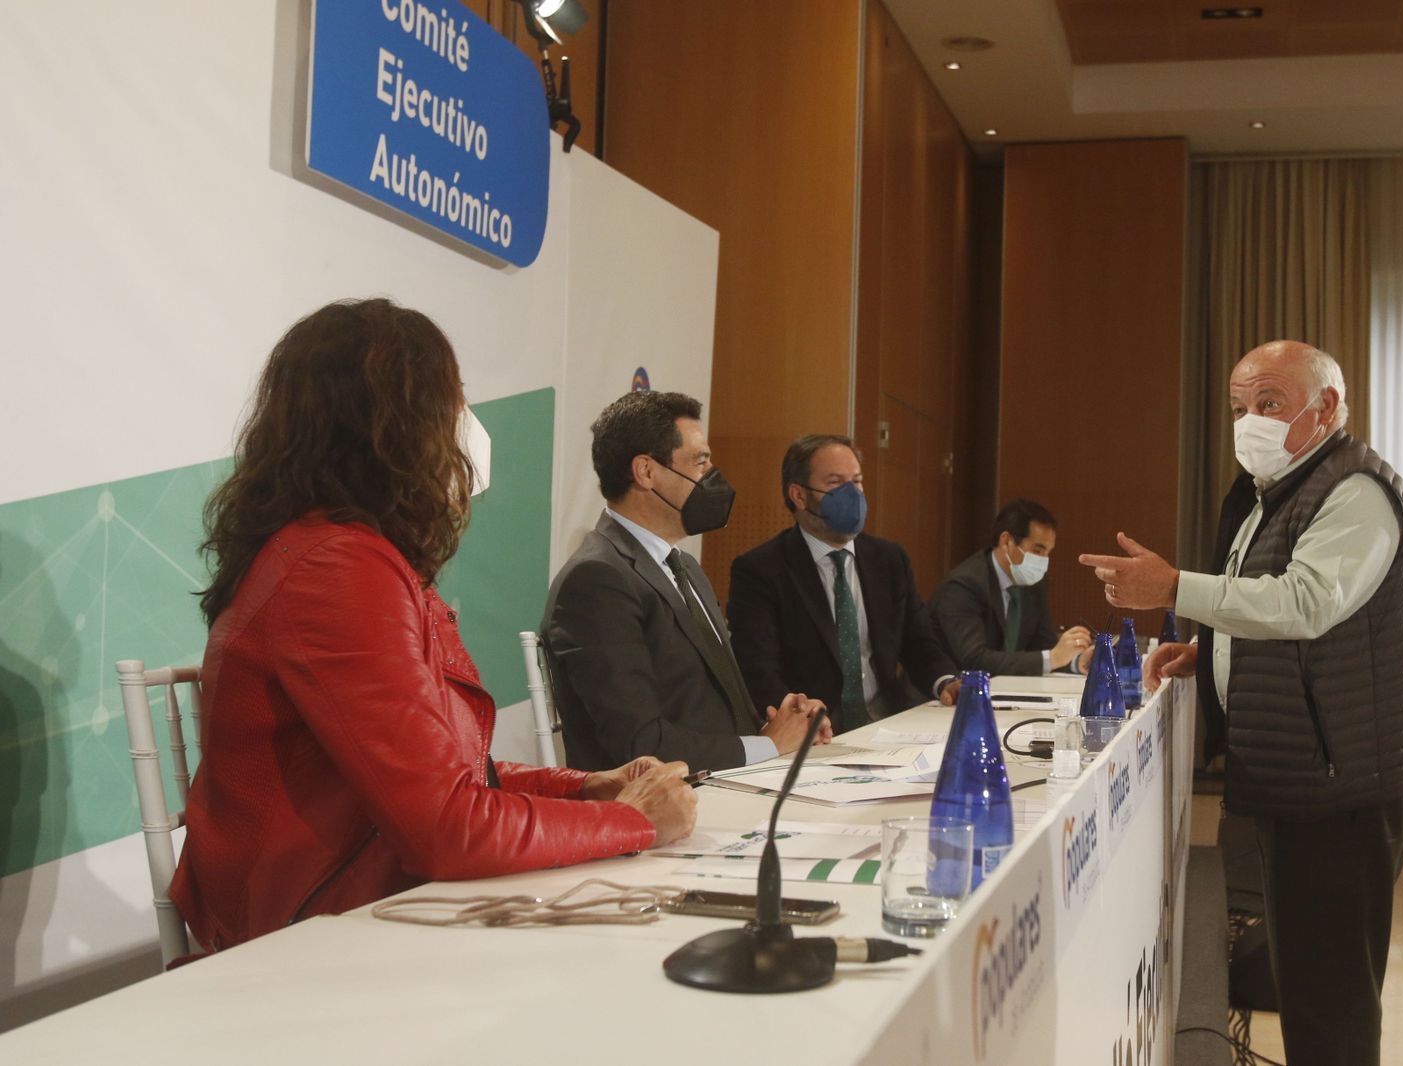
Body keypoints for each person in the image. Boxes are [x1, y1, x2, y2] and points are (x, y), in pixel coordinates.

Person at [171, 299, 696, 954]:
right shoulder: (338, 569)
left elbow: (445, 772)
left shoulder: (337, 553)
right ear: (397, 423)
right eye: (454, 402)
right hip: (305, 937)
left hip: (346, 901)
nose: (465, 427)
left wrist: (590, 787)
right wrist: (632, 821)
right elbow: (448, 829)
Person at [1078, 340, 1403, 1066]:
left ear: (1327, 408)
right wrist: (1209, 651)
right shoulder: (1270, 494)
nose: (1251, 423)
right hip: (1305, 765)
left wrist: (1176, 589)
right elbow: (1264, 609)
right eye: (1241, 408)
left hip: (1345, 775)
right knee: (1308, 974)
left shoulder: (1356, 490)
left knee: (1327, 993)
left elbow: (1307, 602)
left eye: (1270, 405)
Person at [543, 391, 828, 773]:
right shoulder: (596, 581)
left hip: (725, 784)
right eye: (700, 462)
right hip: (660, 809)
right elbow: (638, 744)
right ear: (646, 472)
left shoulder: (686, 567)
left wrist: (786, 724)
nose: (712, 476)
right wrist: (768, 746)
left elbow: (709, 706)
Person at [727, 434, 958, 735]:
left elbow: (919, 643)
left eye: (857, 481)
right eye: (836, 483)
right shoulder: (760, 570)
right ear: (798, 495)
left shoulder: (889, 560)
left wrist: (946, 681)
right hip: (817, 734)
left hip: (889, 726)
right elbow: (757, 668)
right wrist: (800, 716)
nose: (852, 494)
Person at [929, 498, 1095, 677]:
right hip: (943, 695)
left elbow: (1043, 648)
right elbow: (974, 659)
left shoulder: (1034, 583)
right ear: (1006, 541)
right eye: (1038, 551)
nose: (1043, 562)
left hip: (1001, 691)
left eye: (1048, 553)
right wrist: (1053, 658)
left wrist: (1076, 660)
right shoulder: (964, 586)